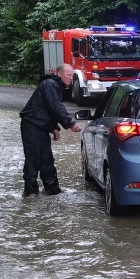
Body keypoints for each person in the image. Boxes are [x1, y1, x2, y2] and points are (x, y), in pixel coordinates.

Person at [19, 63, 82, 197]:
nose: (71, 78)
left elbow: (49, 109)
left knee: (47, 159)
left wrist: (54, 128)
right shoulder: (49, 84)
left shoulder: (56, 86)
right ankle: (30, 194)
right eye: (68, 74)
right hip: (31, 125)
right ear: (59, 74)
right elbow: (56, 107)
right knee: (33, 160)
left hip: (41, 127)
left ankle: (53, 192)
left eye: (72, 75)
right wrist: (70, 122)